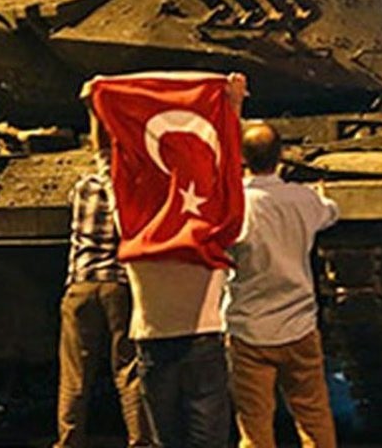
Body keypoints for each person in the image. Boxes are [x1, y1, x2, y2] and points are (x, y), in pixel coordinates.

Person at [123, 72, 248, 448]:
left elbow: (109, 169)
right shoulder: (209, 227)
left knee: (167, 436)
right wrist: (233, 108)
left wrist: (98, 109)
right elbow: (227, 175)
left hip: (152, 345)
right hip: (204, 344)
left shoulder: (135, 231)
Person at [224, 122, 339, 448]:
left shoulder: (234, 205)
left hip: (248, 331)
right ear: (281, 156)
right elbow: (330, 212)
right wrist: (320, 196)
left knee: (254, 427)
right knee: (314, 418)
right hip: (299, 327)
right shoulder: (303, 199)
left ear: (242, 158)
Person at [55, 108, 152, 448]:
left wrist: (94, 107)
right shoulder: (135, 188)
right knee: (127, 369)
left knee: (74, 374)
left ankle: (69, 441)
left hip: (80, 284)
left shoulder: (82, 186)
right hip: (119, 286)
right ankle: (140, 440)